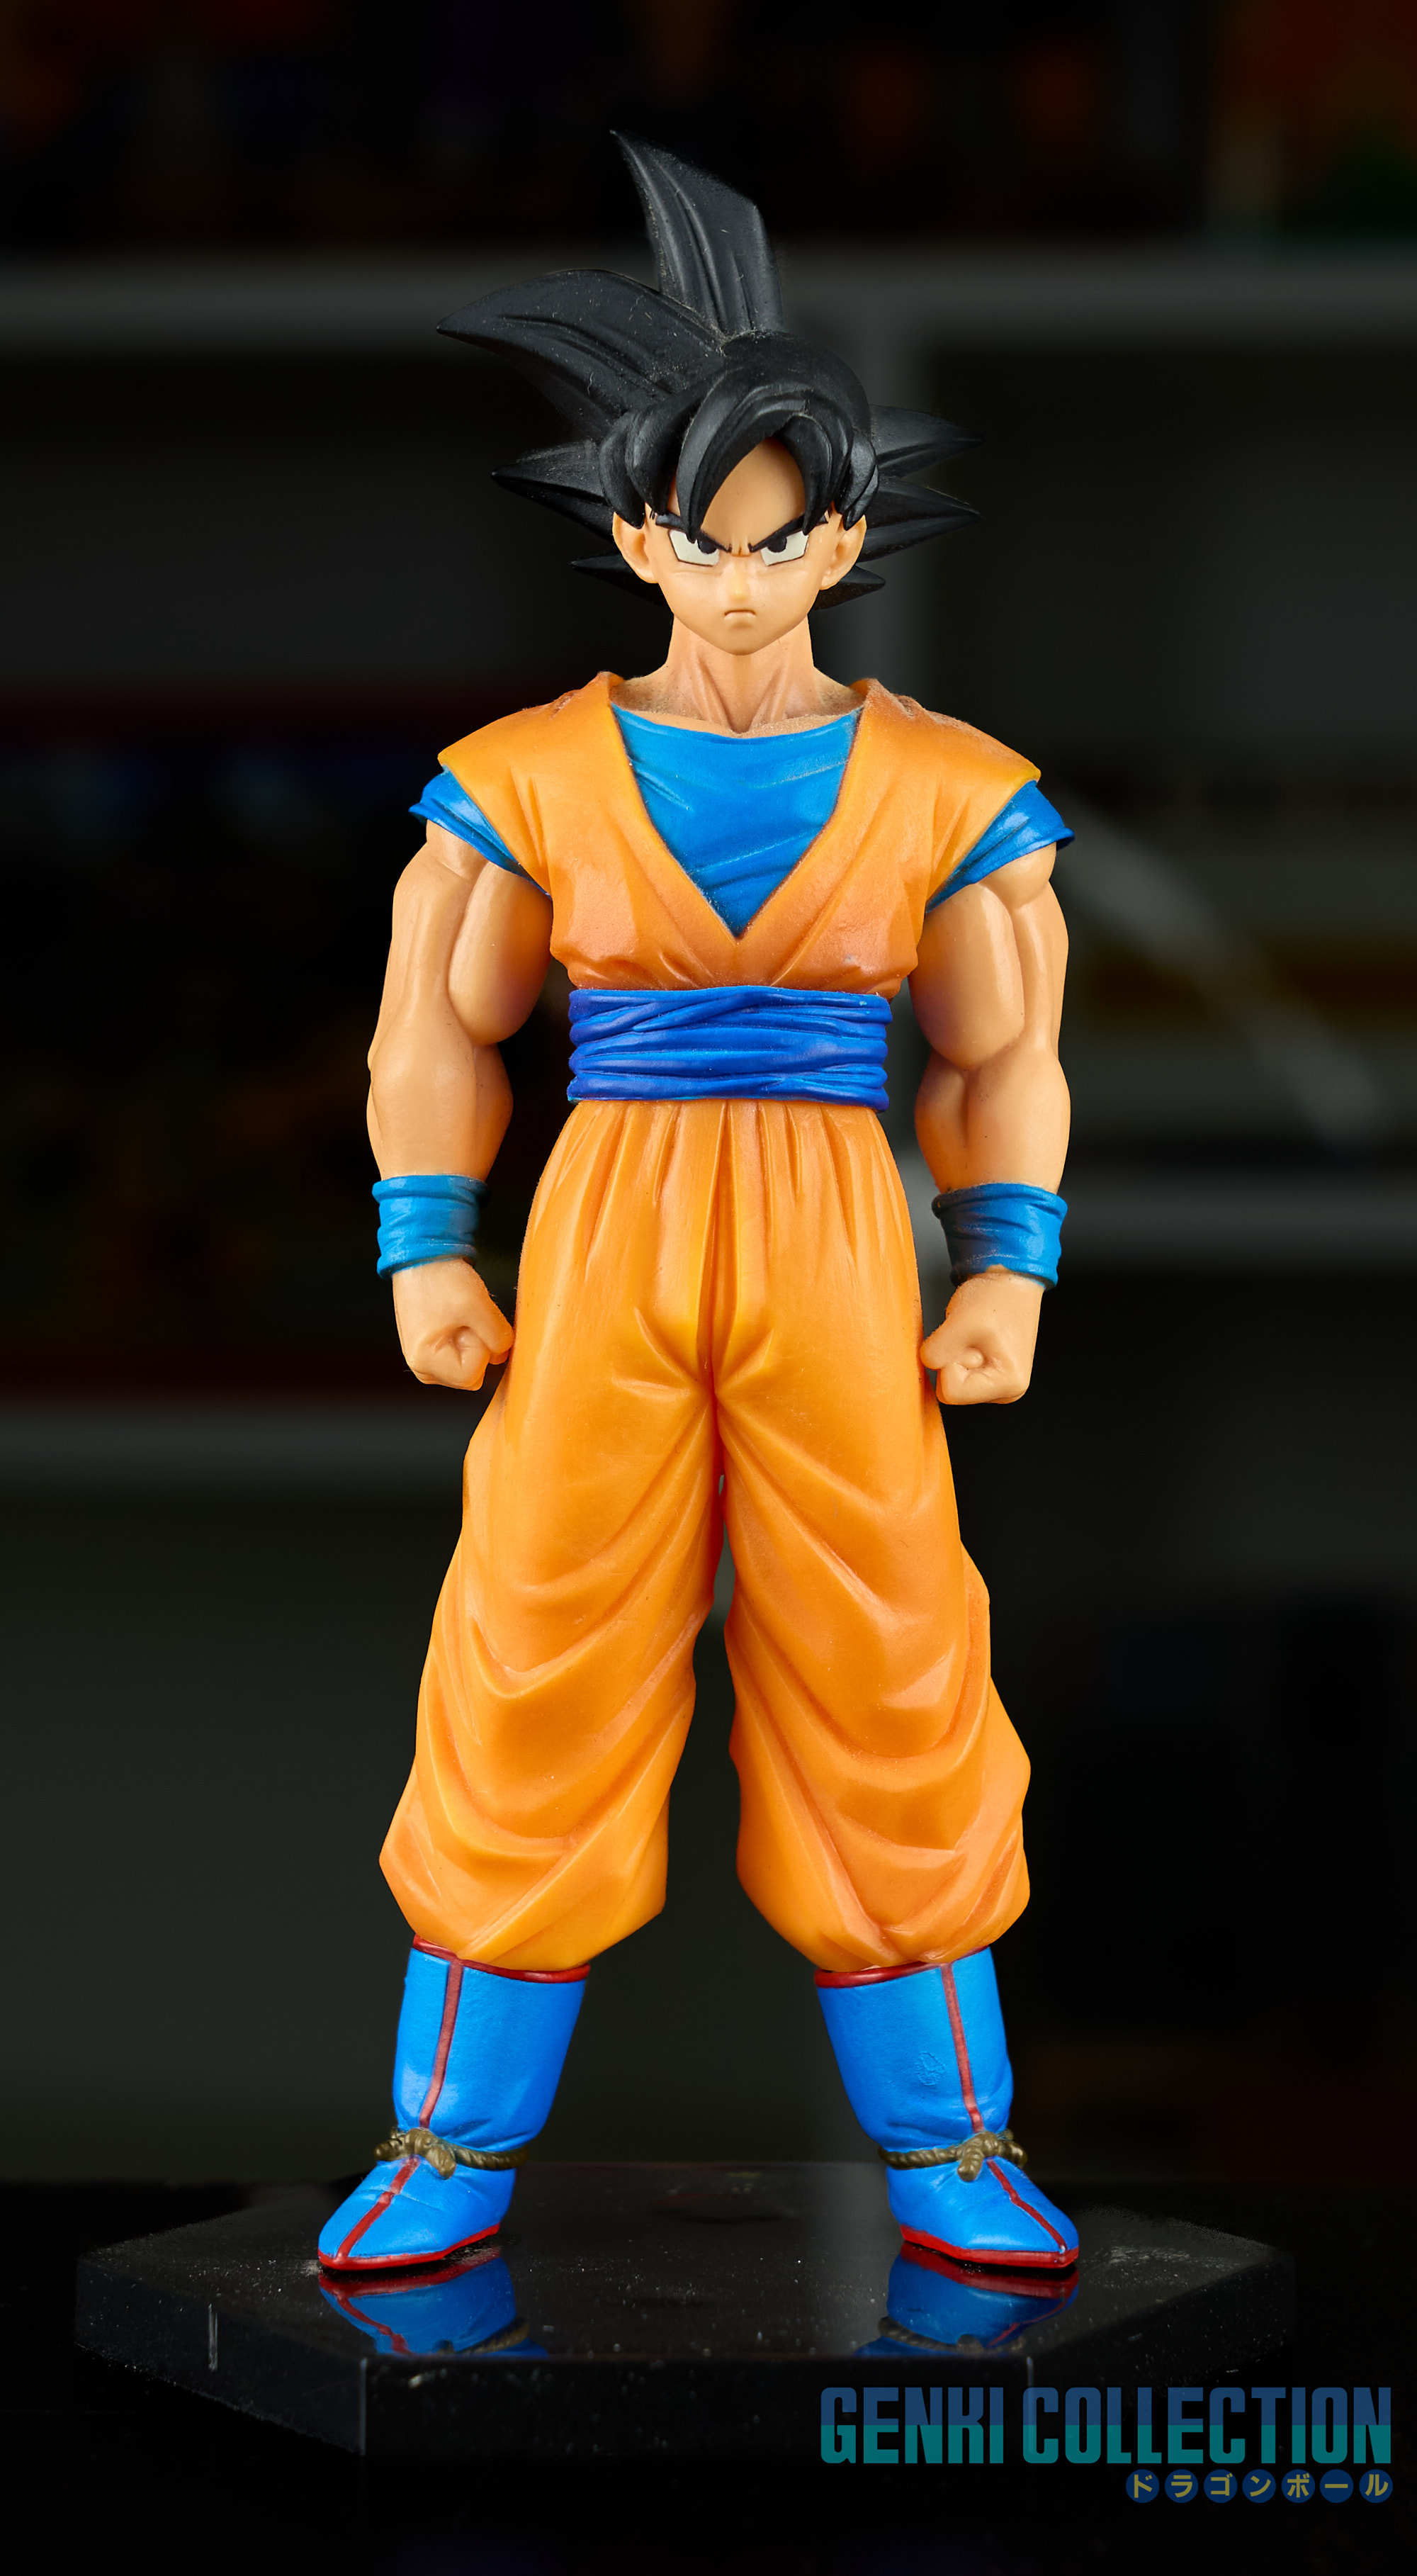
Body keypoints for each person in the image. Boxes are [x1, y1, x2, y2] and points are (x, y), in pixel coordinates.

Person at [319, 139, 1077, 2276]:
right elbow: (433, 1025)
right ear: (633, 533)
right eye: (699, 538)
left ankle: (951, 2139)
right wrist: (425, 1241)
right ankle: (449, 2139)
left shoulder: (952, 789)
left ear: (846, 531)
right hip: (607, 1232)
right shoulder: (524, 780)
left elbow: (999, 1053)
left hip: (841, 1232)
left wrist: (1009, 1264)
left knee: (887, 1648)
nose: (741, 581)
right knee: (538, 1640)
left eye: (782, 537)